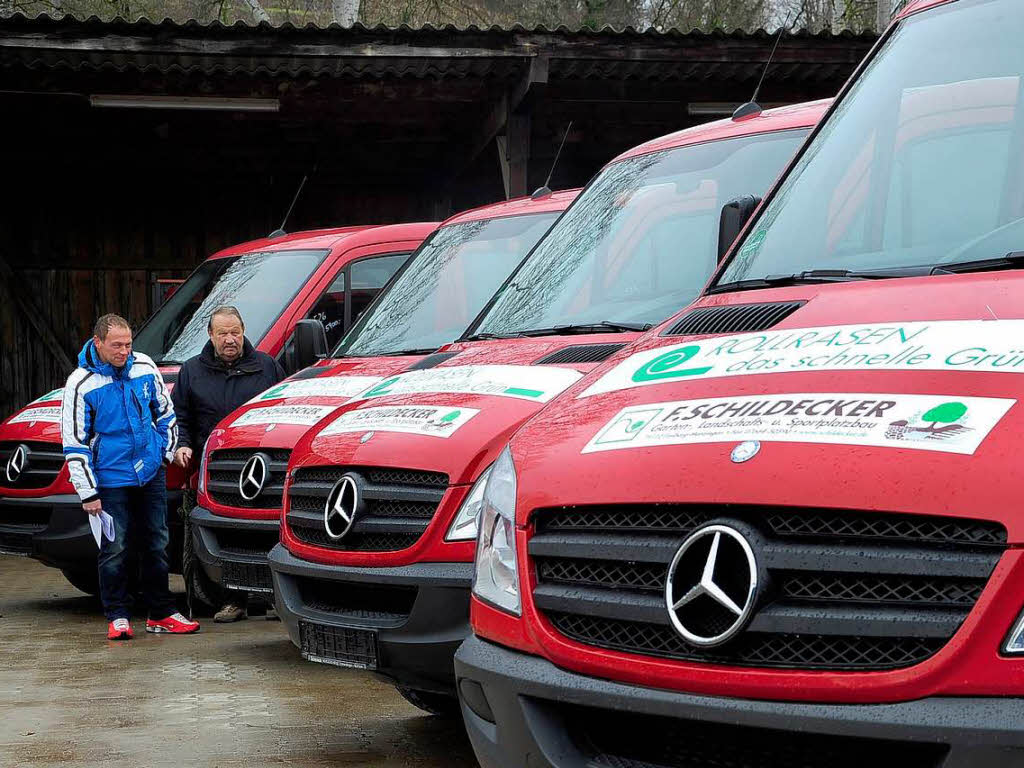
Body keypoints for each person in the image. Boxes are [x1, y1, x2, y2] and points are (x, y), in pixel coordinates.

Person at [61, 313, 200, 640]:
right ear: (98, 343)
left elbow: (166, 414)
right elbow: (74, 442)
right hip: (110, 478)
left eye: (128, 344)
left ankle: (162, 612)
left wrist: (164, 454)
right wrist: (87, 492)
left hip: (149, 473)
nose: (124, 351)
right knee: (115, 546)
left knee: (157, 542)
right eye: (116, 345)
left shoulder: (145, 367)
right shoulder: (81, 383)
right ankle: (117, 615)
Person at [172, 305, 284, 622]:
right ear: (210, 335)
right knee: (225, 537)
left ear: (243, 330)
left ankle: (274, 600)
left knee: (265, 536)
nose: (230, 339)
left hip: (263, 471)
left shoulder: (267, 367)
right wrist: (182, 445)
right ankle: (231, 601)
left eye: (235, 332)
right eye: (222, 333)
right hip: (213, 474)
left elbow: (285, 410)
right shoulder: (191, 371)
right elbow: (180, 417)